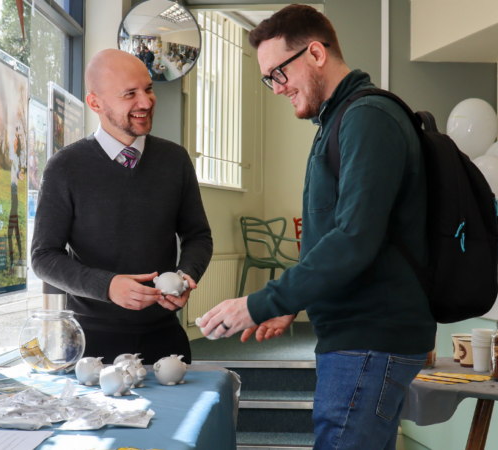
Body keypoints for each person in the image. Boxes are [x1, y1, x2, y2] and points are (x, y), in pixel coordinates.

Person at [197, 5, 434, 449]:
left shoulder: (367, 118)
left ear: (316, 53)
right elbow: (338, 238)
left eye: (279, 73)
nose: (276, 88)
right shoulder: (338, 120)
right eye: (268, 79)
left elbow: (354, 240)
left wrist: (261, 302)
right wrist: (295, 301)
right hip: (357, 337)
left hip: (368, 338)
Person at [31, 49, 213, 364]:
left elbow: (198, 235)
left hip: (165, 335)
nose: (146, 102)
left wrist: (185, 275)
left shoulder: (175, 160)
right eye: (130, 94)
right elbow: (43, 257)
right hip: (89, 342)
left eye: (148, 89)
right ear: (96, 103)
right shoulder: (65, 167)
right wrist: (109, 286)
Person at [8, 127, 24, 270]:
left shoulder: (16, 158)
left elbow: (17, 172)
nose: (14, 142)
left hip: (14, 196)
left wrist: (20, 174)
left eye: (16, 142)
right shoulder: (14, 158)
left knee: (11, 232)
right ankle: (18, 258)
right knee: (16, 230)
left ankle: (14, 261)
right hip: (13, 196)